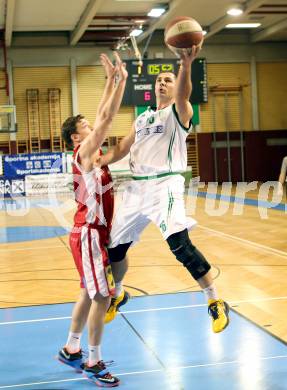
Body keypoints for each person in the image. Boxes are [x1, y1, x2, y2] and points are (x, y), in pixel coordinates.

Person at [100, 47, 230, 333]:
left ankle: (215, 301)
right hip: (137, 188)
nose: (162, 83)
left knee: (180, 246)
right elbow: (122, 147)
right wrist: (101, 160)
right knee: (115, 249)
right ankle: (118, 293)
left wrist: (185, 65)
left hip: (165, 184)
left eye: (168, 80)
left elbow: (184, 94)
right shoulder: (142, 118)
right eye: (160, 81)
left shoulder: (178, 112)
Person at [57, 52, 127, 387]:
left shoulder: (92, 154)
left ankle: (72, 348)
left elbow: (101, 116)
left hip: (89, 233)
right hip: (89, 233)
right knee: (103, 297)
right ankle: (94, 361)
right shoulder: (84, 152)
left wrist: (113, 81)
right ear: (76, 137)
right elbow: (106, 119)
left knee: (89, 291)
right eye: (85, 127)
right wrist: (119, 83)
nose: (92, 127)